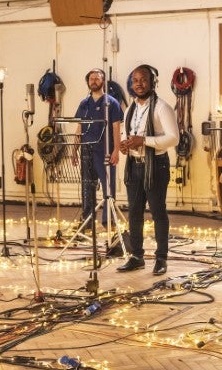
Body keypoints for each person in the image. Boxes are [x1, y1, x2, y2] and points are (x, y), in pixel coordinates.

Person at [116, 65, 179, 276]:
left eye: (143, 80)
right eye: (135, 80)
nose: (139, 84)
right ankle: (136, 256)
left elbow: (173, 138)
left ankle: (161, 258)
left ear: (153, 82)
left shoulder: (162, 107)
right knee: (134, 213)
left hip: (156, 167)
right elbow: (127, 135)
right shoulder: (129, 109)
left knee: (158, 213)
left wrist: (143, 141)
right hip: (134, 166)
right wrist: (125, 145)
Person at [72, 69, 123, 256]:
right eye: (91, 78)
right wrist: (74, 149)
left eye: (97, 78)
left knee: (108, 186)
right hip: (87, 150)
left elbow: (117, 128)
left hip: (105, 151)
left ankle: (107, 221)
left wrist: (117, 149)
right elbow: (79, 126)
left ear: (103, 81)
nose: (94, 81)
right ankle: (87, 220)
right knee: (87, 187)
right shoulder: (84, 104)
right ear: (88, 81)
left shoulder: (112, 103)